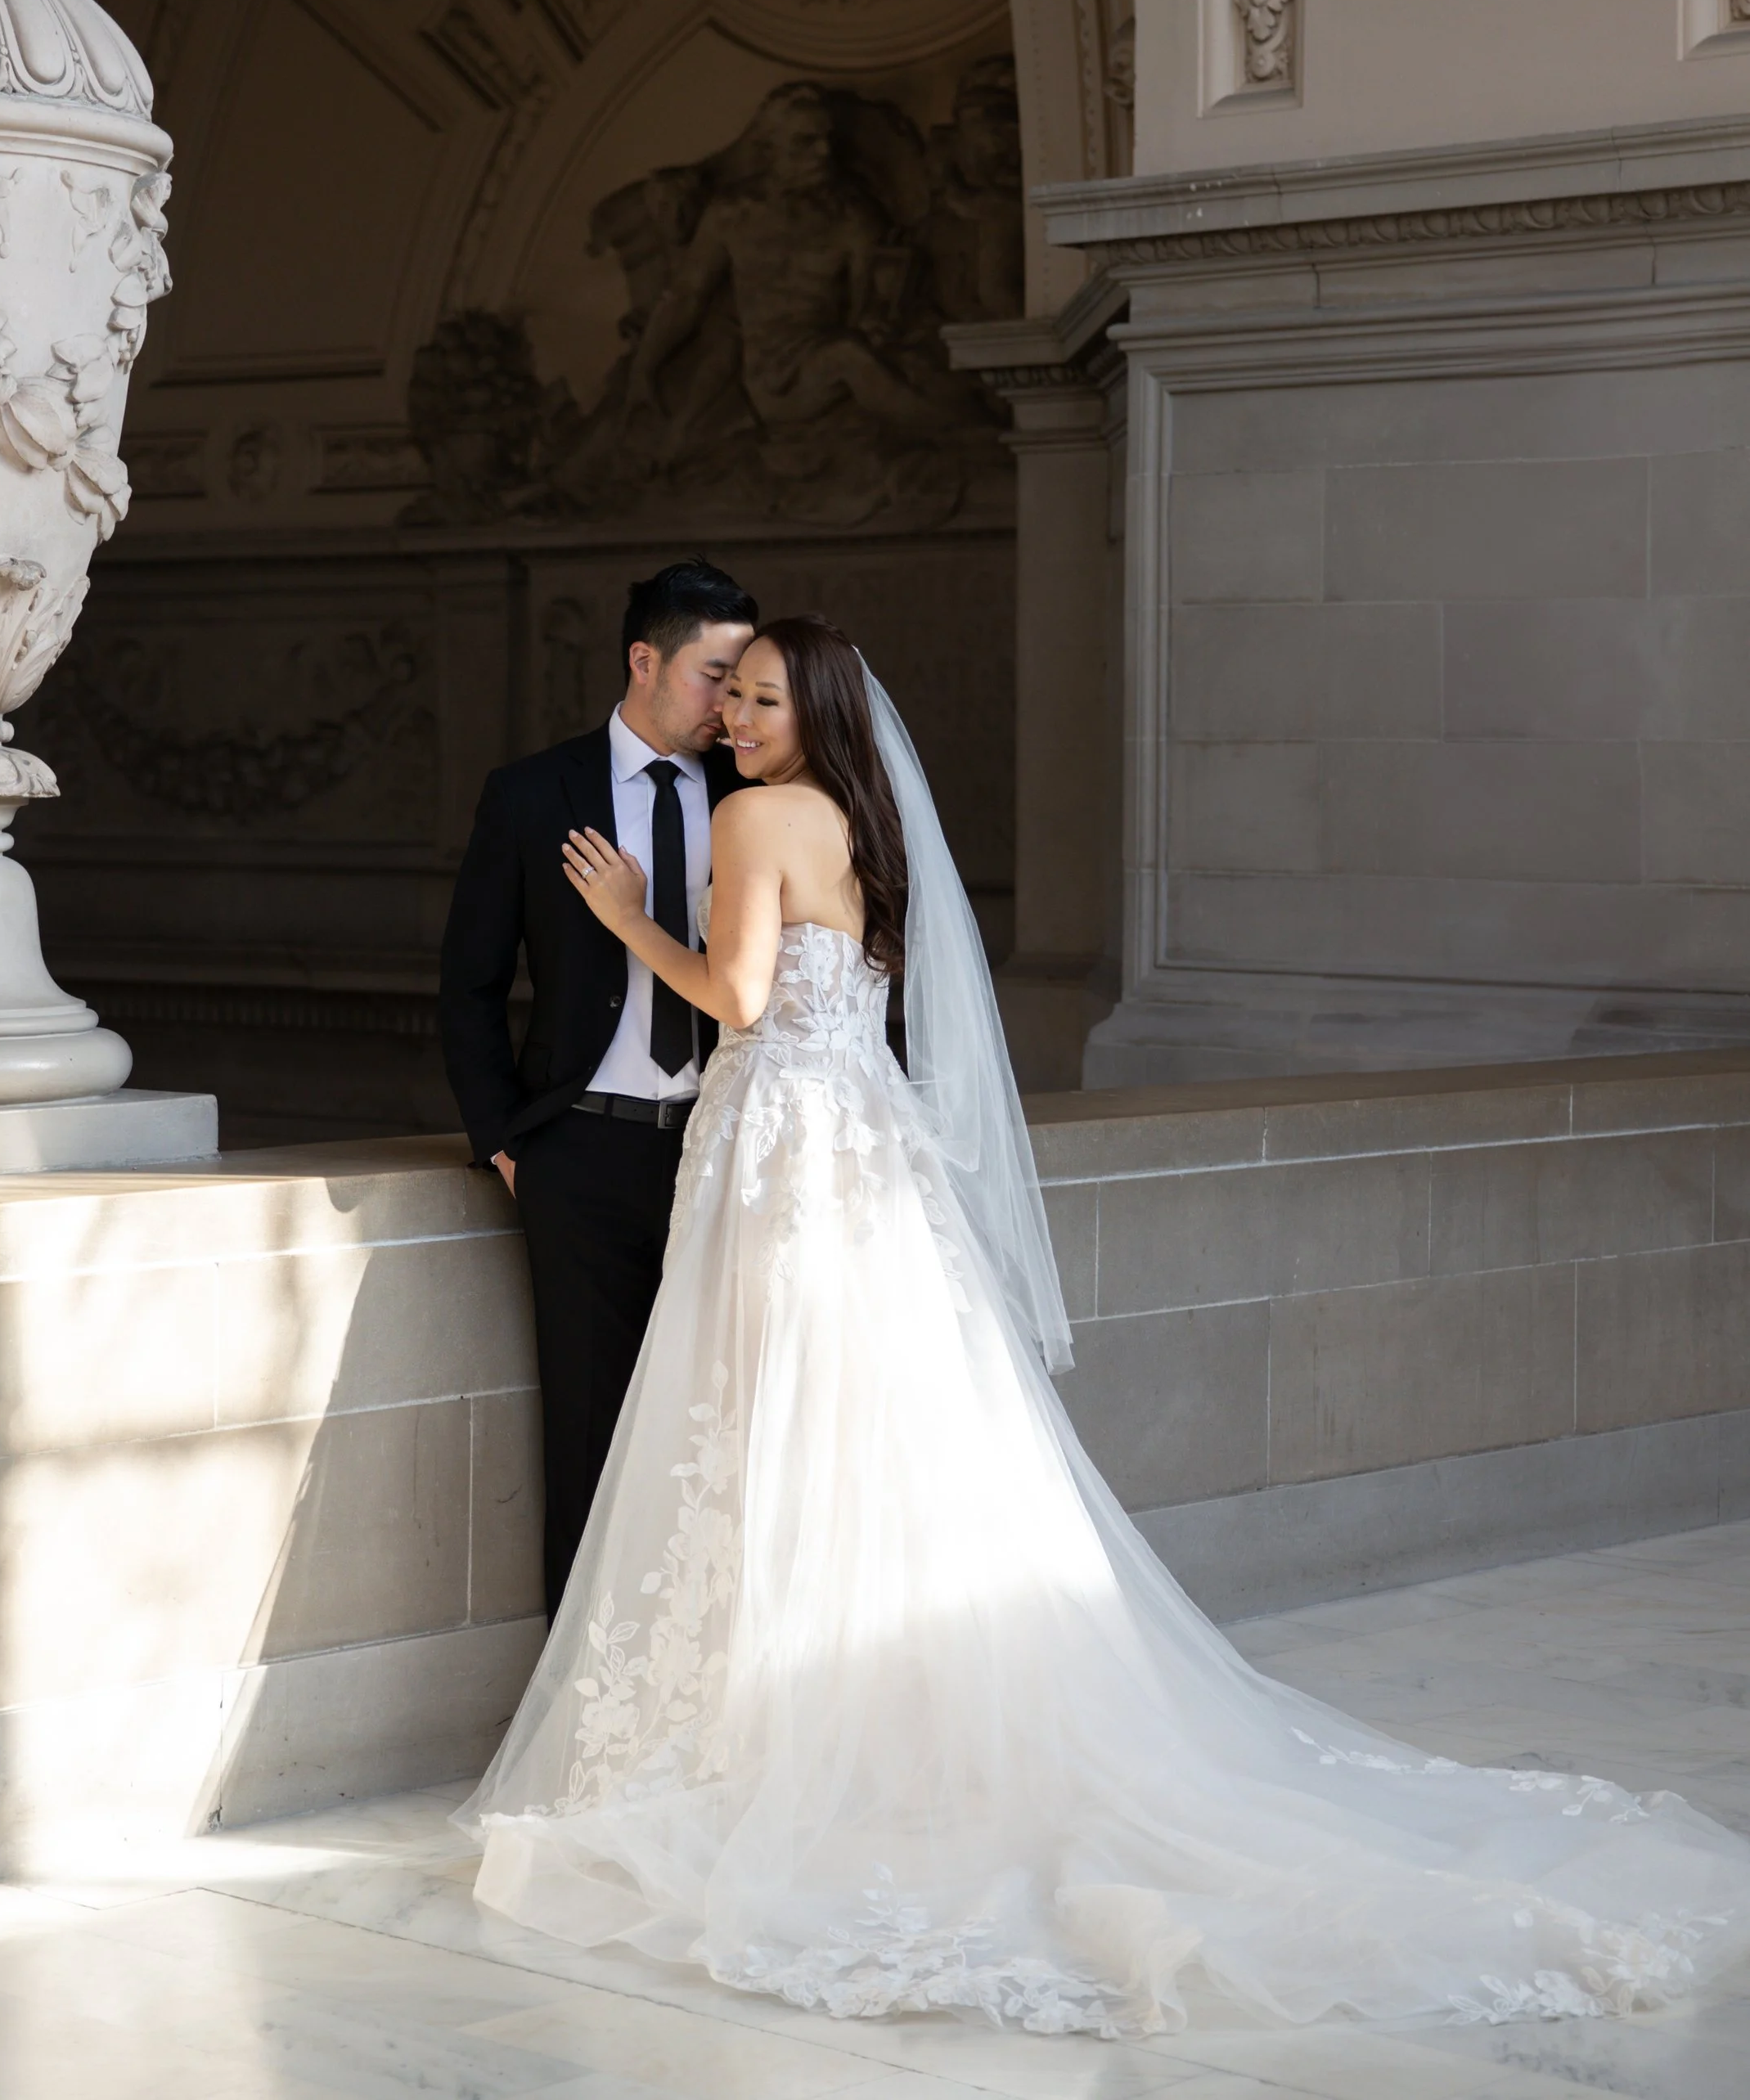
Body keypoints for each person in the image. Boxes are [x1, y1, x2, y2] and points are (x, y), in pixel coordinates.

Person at [460, 614, 1750, 2037]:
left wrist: (632, 916)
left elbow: (743, 998)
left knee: (774, 1417)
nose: (740, 723)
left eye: (764, 701)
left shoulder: (762, 815)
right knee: (863, 1431)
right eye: (736, 700)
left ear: (814, 712)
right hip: (862, 1155)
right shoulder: (863, 819)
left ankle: (782, 1730)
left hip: (786, 1154)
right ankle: (838, 1715)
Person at [438, 557, 757, 1614]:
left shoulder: (753, 801)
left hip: (724, 1146)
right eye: (716, 674)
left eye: (745, 679)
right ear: (645, 659)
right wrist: (509, 1141)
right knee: (588, 1432)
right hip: (580, 1154)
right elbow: (468, 985)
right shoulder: (535, 796)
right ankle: (576, 1718)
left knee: (716, 1429)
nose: (732, 704)